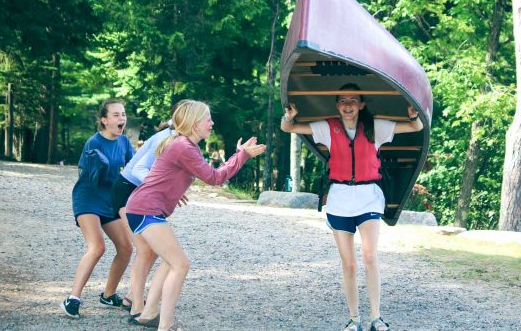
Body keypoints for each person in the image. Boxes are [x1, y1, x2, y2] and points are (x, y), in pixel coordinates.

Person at [280, 83, 423, 331]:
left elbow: (415, 126)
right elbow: (288, 128)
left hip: (369, 197)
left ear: (361, 104)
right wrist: (288, 116)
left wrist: (414, 115)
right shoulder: (328, 127)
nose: (348, 105)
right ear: (337, 105)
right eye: (343, 101)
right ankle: (354, 319)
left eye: (353, 100)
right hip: (339, 200)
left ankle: (376, 319)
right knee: (349, 264)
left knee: (369, 256)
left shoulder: (376, 127)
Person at [125, 100, 265, 331]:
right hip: (145, 209)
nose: (212, 123)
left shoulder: (185, 145)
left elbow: (170, 175)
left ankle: (150, 313)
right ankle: (166, 326)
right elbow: (215, 178)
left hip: (144, 208)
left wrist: (239, 154)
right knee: (180, 265)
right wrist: (242, 156)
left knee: (171, 262)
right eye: (207, 119)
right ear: (194, 123)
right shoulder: (184, 147)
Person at [61, 100, 135, 319]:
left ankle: (108, 295)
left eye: (123, 114)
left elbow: (134, 170)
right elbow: (90, 175)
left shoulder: (124, 142)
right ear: (104, 120)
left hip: (110, 201)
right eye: (115, 115)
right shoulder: (93, 143)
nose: (121, 118)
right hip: (88, 199)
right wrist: (98, 168)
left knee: (126, 248)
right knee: (97, 247)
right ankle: (72, 299)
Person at [110, 114, 188, 318]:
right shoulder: (167, 138)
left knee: (152, 250)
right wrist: (158, 186)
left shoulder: (179, 139)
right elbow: (138, 169)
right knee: (145, 250)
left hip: (143, 195)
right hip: (128, 191)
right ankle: (136, 306)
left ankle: (130, 297)